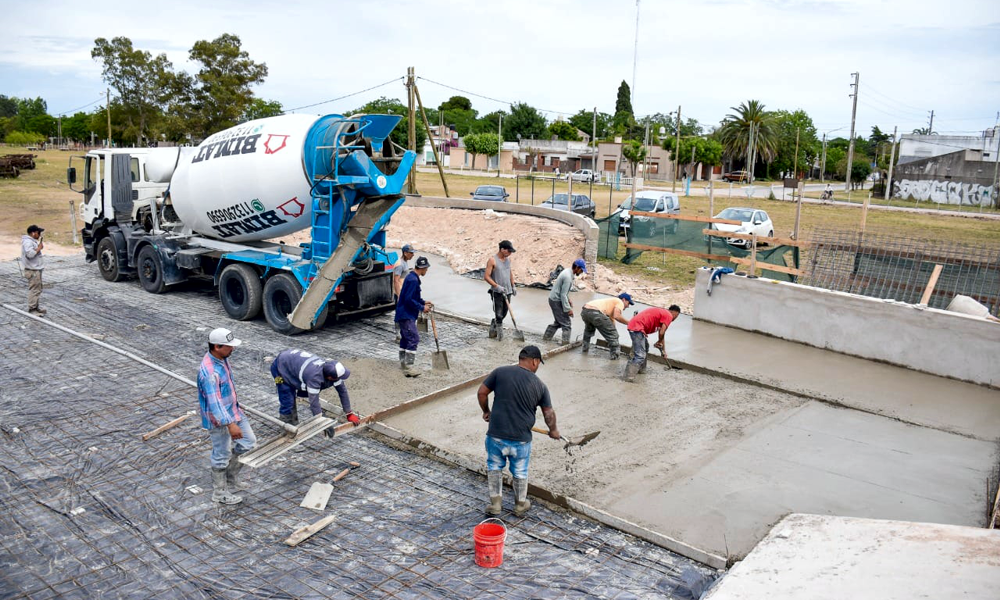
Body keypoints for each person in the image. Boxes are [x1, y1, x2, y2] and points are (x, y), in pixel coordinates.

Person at [478, 345, 559, 517]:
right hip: (521, 439)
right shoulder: (540, 386)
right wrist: (553, 430)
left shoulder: (500, 372)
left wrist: (486, 411)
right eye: (539, 363)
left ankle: (495, 505)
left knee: (494, 467)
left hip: (496, 436)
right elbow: (548, 413)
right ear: (535, 361)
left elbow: (482, 393)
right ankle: (520, 505)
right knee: (520, 471)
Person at [197, 328, 256, 505]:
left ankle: (230, 477)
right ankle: (219, 492)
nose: (233, 349)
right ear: (217, 346)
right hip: (219, 420)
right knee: (221, 454)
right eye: (229, 346)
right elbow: (215, 403)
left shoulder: (221, 359)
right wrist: (230, 424)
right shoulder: (210, 373)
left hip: (233, 411)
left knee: (248, 442)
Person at [271, 349, 360, 433]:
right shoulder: (314, 378)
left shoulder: (331, 370)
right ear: (330, 377)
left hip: (292, 364)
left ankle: (293, 423)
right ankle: (286, 428)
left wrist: (349, 413)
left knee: (291, 395)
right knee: (287, 398)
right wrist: (322, 423)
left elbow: (342, 391)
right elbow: (314, 403)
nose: (340, 379)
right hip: (279, 368)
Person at [395, 256, 433, 377]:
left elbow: (413, 297)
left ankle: (403, 363)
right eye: (426, 268)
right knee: (414, 338)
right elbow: (408, 299)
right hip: (406, 314)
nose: (427, 270)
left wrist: (423, 302)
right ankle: (409, 367)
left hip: (403, 313)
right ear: (422, 268)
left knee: (405, 338)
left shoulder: (411, 277)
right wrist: (422, 308)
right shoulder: (413, 280)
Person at [624, 304, 681, 382]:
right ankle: (628, 377)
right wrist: (659, 341)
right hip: (637, 328)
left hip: (638, 328)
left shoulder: (663, 315)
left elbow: (662, 335)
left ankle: (641, 370)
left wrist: (663, 351)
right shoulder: (668, 315)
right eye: (676, 316)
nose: (675, 318)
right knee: (640, 355)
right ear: (673, 312)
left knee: (645, 348)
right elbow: (661, 333)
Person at [543, 259, 587, 344]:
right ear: (577, 268)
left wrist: (568, 300)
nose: (581, 272)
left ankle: (546, 338)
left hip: (554, 298)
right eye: (581, 270)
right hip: (556, 300)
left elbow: (563, 292)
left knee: (559, 322)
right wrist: (568, 309)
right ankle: (565, 344)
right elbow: (563, 295)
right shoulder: (568, 277)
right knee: (566, 324)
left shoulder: (568, 271)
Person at [580, 293, 633, 359]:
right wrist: (629, 323)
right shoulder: (620, 302)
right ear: (624, 300)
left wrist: (613, 332)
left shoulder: (611, 303)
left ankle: (584, 350)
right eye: (628, 303)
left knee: (589, 331)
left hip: (585, 311)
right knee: (614, 336)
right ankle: (615, 358)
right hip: (596, 312)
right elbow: (617, 316)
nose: (628, 306)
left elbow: (612, 321)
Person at [484, 240, 517, 341]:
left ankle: (494, 323)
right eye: (509, 251)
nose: (510, 253)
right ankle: (500, 337)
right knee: (498, 314)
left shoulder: (508, 260)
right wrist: (496, 286)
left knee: (504, 313)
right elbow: (486, 276)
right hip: (497, 292)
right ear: (502, 249)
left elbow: (509, 273)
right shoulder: (492, 260)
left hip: (507, 291)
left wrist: (513, 285)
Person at [20, 225, 46, 316]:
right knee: (34, 290)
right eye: (38, 233)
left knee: (37, 289)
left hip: (35, 269)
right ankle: (32, 309)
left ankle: (36, 307)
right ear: (33, 233)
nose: (39, 235)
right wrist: (39, 248)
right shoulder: (28, 242)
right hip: (32, 270)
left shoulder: (31, 241)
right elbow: (30, 254)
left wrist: (38, 248)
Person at [392, 244, 415, 341]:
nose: (413, 255)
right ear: (405, 253)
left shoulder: (404, 262)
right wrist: (399, 296)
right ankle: (399, 336)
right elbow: (396, 281)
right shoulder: (400, 264)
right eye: (411, 253)